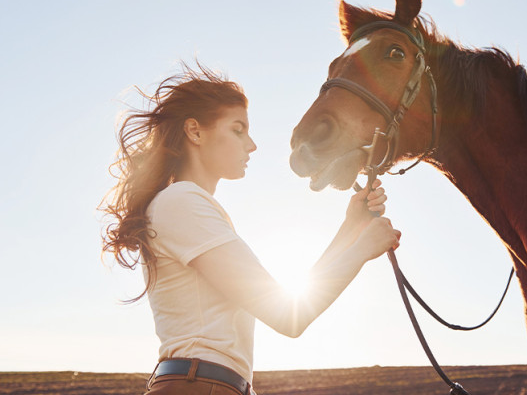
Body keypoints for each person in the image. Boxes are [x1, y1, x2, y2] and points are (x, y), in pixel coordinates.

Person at [100, 64, 401, 395]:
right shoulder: (181, 201)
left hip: (209, 384)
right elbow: (288, 316)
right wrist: (361, 250)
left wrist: (351, 228)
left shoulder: (188, 206)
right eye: (238, 129)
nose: (252, 144)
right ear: (195, 132)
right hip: (202, 385)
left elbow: (289, 305)